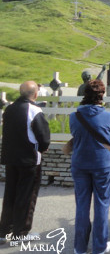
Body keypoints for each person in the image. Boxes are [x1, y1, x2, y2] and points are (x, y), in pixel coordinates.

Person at [69, 80, 110, 254]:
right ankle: (100, 246)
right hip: (102, 163)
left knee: (82, 205)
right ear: (101, 95)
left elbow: (74, 134)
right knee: (102, 204)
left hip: (80, 162)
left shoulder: (74, 116)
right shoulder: (107, 116)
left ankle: (79, 247)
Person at [0, 81, 50, 244]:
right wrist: (43, 148)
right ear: (35, 94)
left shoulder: (9, 109)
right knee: (27, 195)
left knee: (10, 194)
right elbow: (43, 137)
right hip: (29, 159)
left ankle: (4, 231)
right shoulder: (34, 110)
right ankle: (20, 232)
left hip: (11, 158)